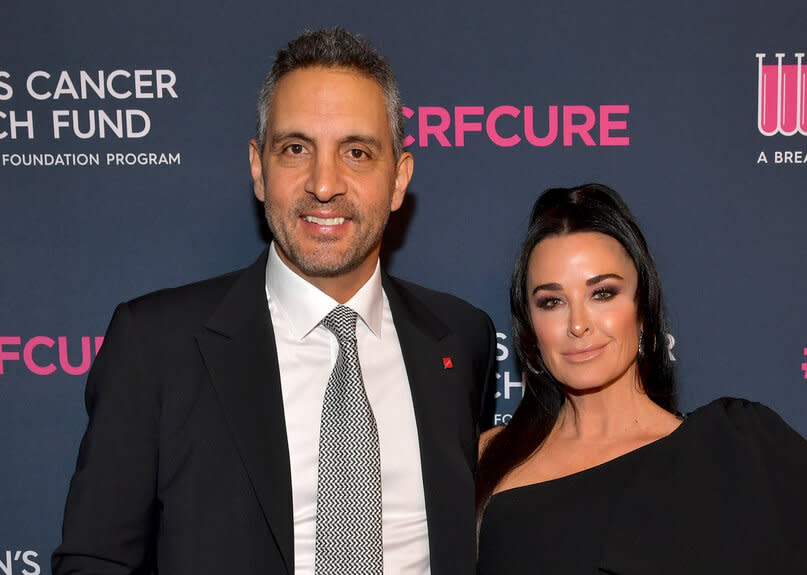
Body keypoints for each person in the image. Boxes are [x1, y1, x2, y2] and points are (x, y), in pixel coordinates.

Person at [52, 28, 496, 575]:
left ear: (399, 178)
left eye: (356, 152)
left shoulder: (460, 338)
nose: (325, 184)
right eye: (295, 149)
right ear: (259, 169)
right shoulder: (155, 346)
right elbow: (95, 562)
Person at [475, 183, 807, 574]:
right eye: (552, 301)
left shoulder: (737, 458)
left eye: (602, 293)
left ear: (642, 308)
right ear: (530, 325)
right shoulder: (483, 460)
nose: (578, 324)